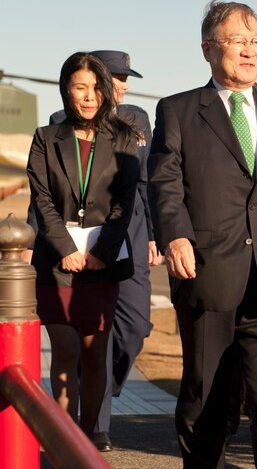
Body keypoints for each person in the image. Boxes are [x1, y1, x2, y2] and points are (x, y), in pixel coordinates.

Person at [148, 0, 257, 468]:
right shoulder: (180, 110)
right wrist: (175, 236)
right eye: (237, 41)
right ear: (208, 48)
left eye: (256, 41)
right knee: (208, 397)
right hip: (207, 274)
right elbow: (164, 183)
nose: (249, 51)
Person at [41, 50, 159, 452]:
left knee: (128, 330)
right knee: (87, 341)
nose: (121, 86)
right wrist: (46, 242)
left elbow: (143, 185)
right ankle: (89, 429)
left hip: (124, 242)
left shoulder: (134, 123)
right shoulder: (56, 125)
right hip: (72, 248)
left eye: (124, 80)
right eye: (116, 78)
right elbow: (47, 194)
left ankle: (96, 391)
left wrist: (153, 236)